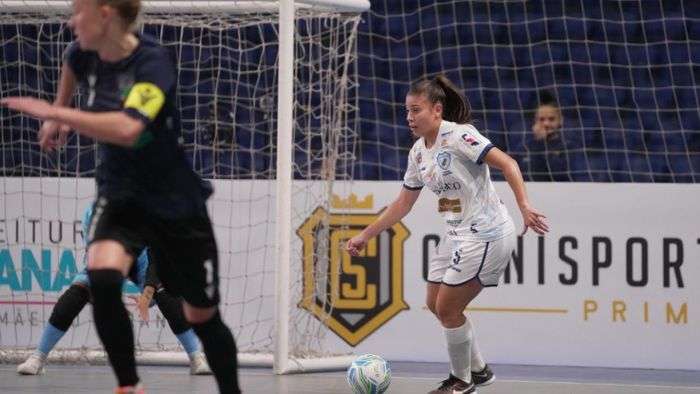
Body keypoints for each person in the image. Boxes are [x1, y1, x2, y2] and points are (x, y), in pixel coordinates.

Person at [1, 1, 240, 392]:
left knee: (201, 315)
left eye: (78, 11)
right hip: (119, 195)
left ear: (106, 14)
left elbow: (129, 128)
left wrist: (60, 115)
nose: (70, 21)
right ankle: (129, 386)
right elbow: (63, 101)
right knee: (100, 275)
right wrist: (54, 118)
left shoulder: (153, 63)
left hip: (174, 202)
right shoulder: (79, 54)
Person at [346, 75, 549, 394]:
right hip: (458, 235)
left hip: (487, 234)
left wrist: (524, 205)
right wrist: (365, 236)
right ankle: (479, 371)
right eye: (407, 111)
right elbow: (402, 203)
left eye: (416, 110)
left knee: (448, 309)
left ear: (437, 110)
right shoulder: (417, 153)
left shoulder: (460, 137)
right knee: (434, 302)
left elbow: (508, 164)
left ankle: (462, 381)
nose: (410, 118)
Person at [17, 206, 212, 376]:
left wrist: (149, 290)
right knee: (75, 294)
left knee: (166, 293)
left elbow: (156, 258)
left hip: (143, 258)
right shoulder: (94, 214)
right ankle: (38, 357)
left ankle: (196, 357)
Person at [523, 91, 570, 181]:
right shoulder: (523, 148)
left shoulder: (569, 147)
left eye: (551, 119)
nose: (546, 124)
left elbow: (560, 177)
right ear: (535, 121)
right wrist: (539, 142)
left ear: (560, 120)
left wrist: (542, 143)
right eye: (541, 119)